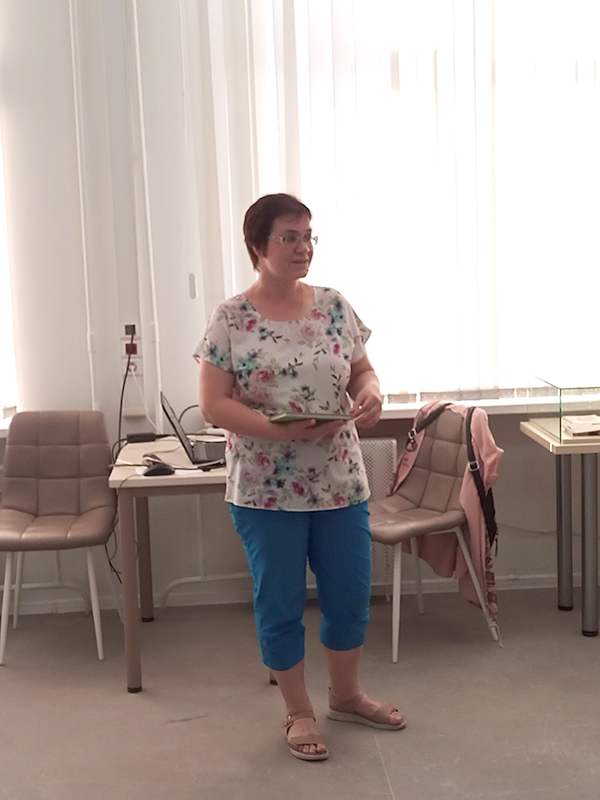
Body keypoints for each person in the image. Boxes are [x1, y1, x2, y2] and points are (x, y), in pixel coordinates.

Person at [195, 193, 405, 762]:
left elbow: (362, 371)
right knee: (282, 600)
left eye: (309, 236)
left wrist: (371, 394)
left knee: (349, 594)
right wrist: (278, 431)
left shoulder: (334, 305)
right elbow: (213, 404)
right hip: (265, 489)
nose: (303, 247)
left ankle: (346, 695)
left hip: (340, 482)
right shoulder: (231, 318)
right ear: (257, 246)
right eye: (289, 237)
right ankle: (298, 711)